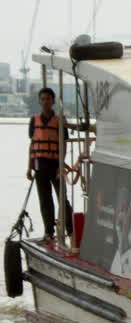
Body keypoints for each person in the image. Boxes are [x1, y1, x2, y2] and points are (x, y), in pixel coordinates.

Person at [27, 87, 73, 242]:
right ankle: (49, 231)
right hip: (40, 165)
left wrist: (61, 164)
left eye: (48, 99)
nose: (46, 101)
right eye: (43, 99)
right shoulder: (34, 120)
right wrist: (29, 166)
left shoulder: (60, 120)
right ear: (39, 101)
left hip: (55, 164)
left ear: (53, 101)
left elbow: (64, 144)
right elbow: (32, 144)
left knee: (62, 198)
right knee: (45, 200)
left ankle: (70, 229)